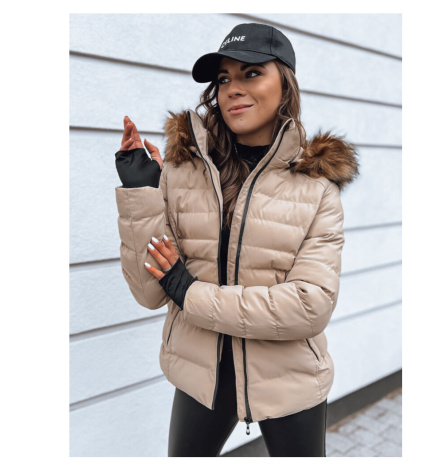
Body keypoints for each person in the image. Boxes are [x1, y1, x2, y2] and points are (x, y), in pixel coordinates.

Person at [114, 22, 359, 457]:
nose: (233, 89)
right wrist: (142, 194)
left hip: (289, 379)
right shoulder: (182, 173)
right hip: (201, 376)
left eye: (252, 73)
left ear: (285, 84)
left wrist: (188, 291)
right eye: (224, 78)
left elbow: (309, 306)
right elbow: (150, 293)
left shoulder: (316, 186)